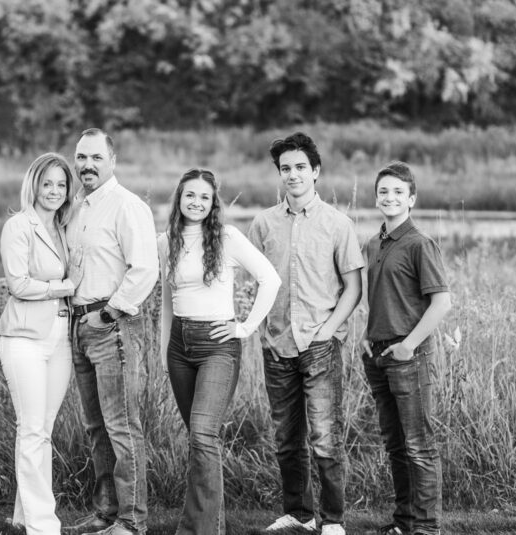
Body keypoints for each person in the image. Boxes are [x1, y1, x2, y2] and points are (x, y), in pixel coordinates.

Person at [247, 132, 364, 535]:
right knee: (286, 438)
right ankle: (299, 513)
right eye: (285, 169)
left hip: (320, 344)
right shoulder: (262, 223)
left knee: (325, 437)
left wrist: (328, 332)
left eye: (300, 167)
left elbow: (354, 287)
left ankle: (332, 520)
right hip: (276, 344)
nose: (293, 175)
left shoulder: (338, 223)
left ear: (315, 171)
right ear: (279, 174)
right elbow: (257, 282)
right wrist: (260, 328)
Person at [158, 169, 281, 535]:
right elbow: (167, 301)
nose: (196, 202)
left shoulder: (226, 237)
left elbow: (270, 278)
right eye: (190, 195)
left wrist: (244, 328)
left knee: (202, 433)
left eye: (204, 197)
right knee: (200, 440)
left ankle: (201, 530)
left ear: (213, 204)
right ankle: (211, 524)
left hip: (218, 345)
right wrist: (165, 350)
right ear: (179, 197)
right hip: (180, 344)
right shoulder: (167, 241)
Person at [64, 128, 158, 535]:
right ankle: (105, 513)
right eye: (81, 157)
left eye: (96, 158)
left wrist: (109, 314)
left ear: (112, 160)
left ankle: (132, 520)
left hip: (112, 327)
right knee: (96, 427)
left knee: (122, 426)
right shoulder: (78, 208)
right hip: (79, 327)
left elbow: (145, 269)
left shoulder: (126, 206)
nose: (87, 165)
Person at [359, 162, 451, 535]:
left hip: (409, 357)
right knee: (396, 446)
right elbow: (381, 298)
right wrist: (367, 333)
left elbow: (442, 302)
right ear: (376, 197)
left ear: (411, 199)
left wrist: (408, 345)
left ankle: (426, 529)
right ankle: (404, 523)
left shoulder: (419, 243)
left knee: (419, 447)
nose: (390, 197)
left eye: (398, 191)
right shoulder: (373, 243)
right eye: (383, 191)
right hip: (378, 355)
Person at [0, 152, 82, 535]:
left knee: (42, 429)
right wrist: (64, 287)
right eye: (47, 183)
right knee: (31, 428)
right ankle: (44, 526)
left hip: (59, 338)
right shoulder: (19, 226)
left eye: (61, 184)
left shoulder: (64, 228)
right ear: (34, 184)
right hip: (23, 339)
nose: (54, 190)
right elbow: (18, 284)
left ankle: (22, 515)